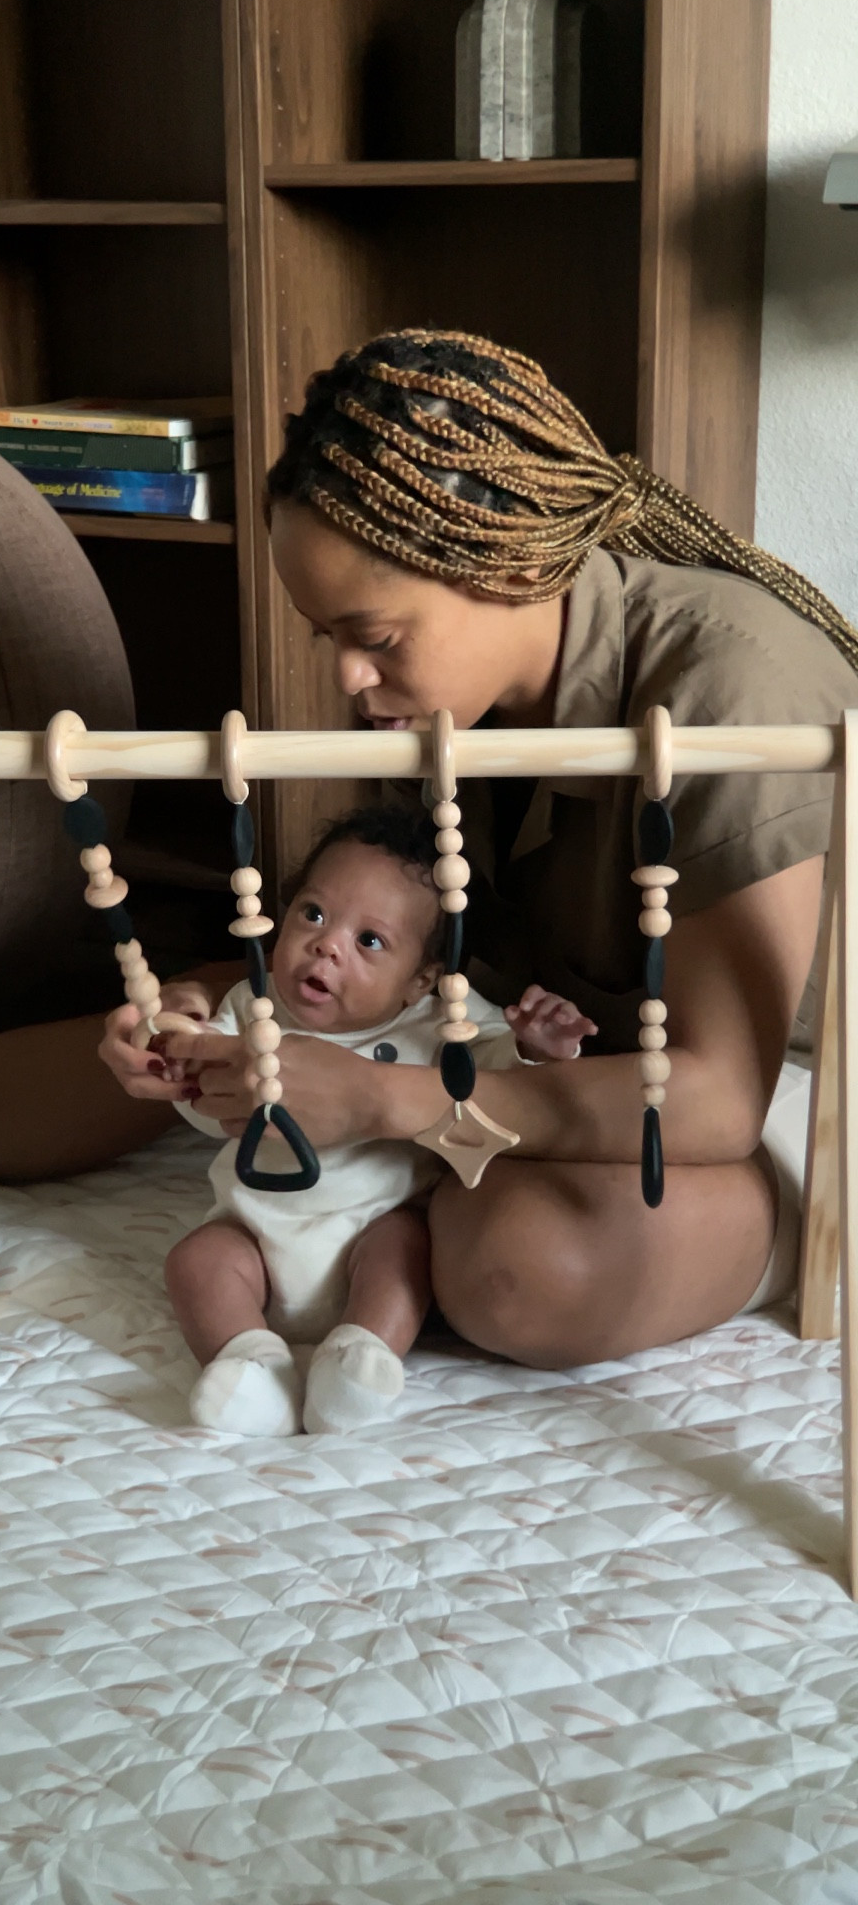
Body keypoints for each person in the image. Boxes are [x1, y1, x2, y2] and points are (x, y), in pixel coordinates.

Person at [101, 330, 858, 1368]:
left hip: (788, 1105)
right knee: (164, 1029)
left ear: (509, 564)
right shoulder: (463, 709)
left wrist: (381, 1099)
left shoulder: (730, 688)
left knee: (516, 1266)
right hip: (555, 1059)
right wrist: (193, 1017)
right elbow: (427, 976)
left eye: (376, 637)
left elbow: (724, 1098)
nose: (346, 683)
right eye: (327, 637)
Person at [160, 806, 594, 1437]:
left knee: (408, 1246)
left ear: (420, 981)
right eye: (312, 913)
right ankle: (248, 1361)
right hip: (253, 1236)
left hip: (372, 1231)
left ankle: (361, 1356)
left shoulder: (442, 1019)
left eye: (370, 941)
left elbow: (501, 1080)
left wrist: (535, 1045)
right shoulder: (252, 1008)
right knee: (195, 1261)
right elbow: (205, 1100)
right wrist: (181, 1047)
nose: (326, 944)